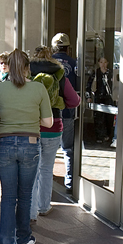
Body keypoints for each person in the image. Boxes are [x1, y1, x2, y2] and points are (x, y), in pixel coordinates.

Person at [0, 49, 53, 244]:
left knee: (7, 197)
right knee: (25, 195)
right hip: (30, 144)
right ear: (27, 67)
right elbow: (48, 122)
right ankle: (23, 238)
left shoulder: (0, 88)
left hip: (4, 145)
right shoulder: (39, 88)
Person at [29, 45, 80, 222]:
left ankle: (31, 211)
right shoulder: (59, 75)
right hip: (53, 126)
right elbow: (73, 101)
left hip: (32, 127)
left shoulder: (27, 74)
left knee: (32, 169)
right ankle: (44, 206)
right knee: (46, 168)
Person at [51, 33, 79, 192]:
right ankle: (70, 183)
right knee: (68, 149)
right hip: (68, 112)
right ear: (68, 47)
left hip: (49, 114)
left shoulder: (47, 64)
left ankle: (45, 183)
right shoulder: (75, 63)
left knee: (48, 150)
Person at [87, 57, 114, 143]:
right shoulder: (95, 73)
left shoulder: (110, 73)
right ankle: (100, 136)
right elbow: (88, 86)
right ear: (98, 63)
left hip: (109, 97)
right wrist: (88, 97)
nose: (103, 64)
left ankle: (108, 136)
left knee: (109, 117)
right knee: (98, 117)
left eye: (105, 62)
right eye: (101, 62)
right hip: (98, 97)